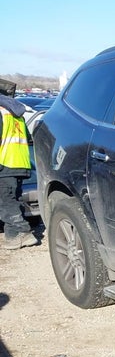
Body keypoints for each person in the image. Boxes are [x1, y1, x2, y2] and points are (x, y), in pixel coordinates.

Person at [0, 92, 38, 250]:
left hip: (5, 162)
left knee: (5, 201)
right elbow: (28, 138)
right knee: (11, 200)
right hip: (19, 162)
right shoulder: (14, 112)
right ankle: (13, 237)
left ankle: (23, 232)